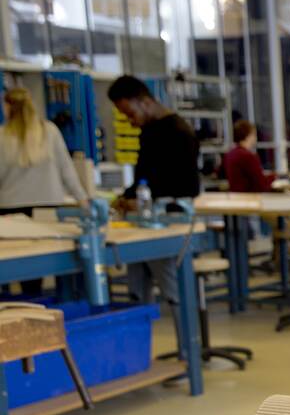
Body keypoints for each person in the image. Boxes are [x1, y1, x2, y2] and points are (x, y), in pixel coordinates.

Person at [108, 75, 200, 305]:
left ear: (144, 101)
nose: (130, 121)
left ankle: (187, 333)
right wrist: (125, 197)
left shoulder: (179, 132)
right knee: (137, 288)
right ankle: (140, 325)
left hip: (169, 220)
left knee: (173, 290)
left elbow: (188, 186)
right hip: (146, 219)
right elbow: (144, 177)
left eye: (130, 114)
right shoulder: (149, 131)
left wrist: (147, 198)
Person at [0, 87, 89, 296]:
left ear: (8, 106)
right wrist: (83, 200)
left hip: (11, 210)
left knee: (21, 264)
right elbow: (67, 169)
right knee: (55, 259)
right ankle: (61, 303)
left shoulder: (3, 136)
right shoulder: (49, 131)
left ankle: (30, 306)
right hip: (48, 207)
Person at [222, 120, 274, 193]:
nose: (256, 138)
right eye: (254, 134)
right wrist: (274, 177)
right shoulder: (248, 156)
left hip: (234, 197)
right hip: (248, 198)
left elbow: (220, 173)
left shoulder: (229, 154)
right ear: (247, 136)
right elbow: (261, 185)